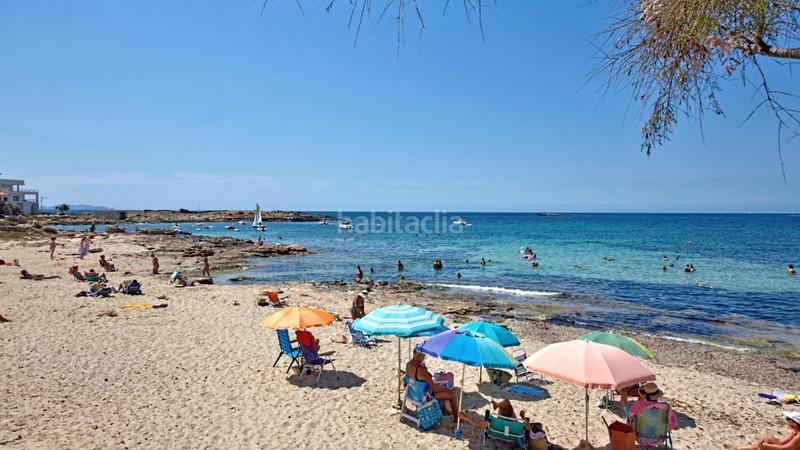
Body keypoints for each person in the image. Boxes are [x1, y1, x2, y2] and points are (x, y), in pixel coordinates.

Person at [405, 351, 458, 421]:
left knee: (441, 386)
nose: (424, 357)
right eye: (424, 355)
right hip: (423, 397)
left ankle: (444, 410)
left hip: (413, 394)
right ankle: (456, 419)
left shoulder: (408, 364)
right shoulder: (420, 369)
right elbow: (434, 388)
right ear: (420, 355)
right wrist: (447, 390)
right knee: (452, 395)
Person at [730, 412, 800, 450]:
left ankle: (741, 449)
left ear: (794, 422)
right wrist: (763, 442)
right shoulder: (793, 432)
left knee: (767, 443)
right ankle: (741, 448)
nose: (786, 420)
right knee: (768, 439)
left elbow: (783, 448)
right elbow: (782, 442)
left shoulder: (798, 436)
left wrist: (767, 445)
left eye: (788, 419)